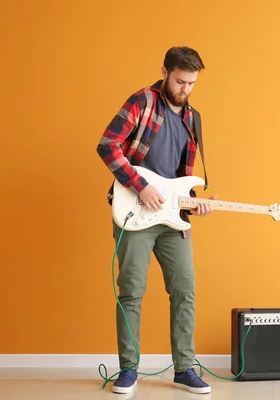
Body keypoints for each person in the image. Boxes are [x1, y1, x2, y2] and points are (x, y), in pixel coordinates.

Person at [96, 46, 216, 395]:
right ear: (164, 72)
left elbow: (183, 176)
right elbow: (107, 145)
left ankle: (185, 368)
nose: (185, 89)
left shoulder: (193, 119)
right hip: (134, 211)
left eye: (192, 83)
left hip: (171, 218)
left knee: (184, 291)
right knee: (131, 291)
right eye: (180, 81)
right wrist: (141, 186)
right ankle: (129, 369)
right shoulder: (143, 102)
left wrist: (193, 204)